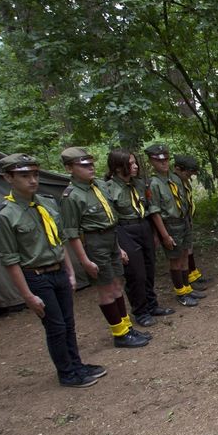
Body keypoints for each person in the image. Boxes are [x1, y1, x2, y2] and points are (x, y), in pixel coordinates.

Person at [0, 153, 106, 387]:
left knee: (68, 323)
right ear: (8, 178)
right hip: (36, 276)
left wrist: (70, 272)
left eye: (34, 174)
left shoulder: (47, 203)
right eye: (24, 176)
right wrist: (27, 296)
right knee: (55, 326)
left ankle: (77, 365)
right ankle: (67, 373)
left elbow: (59, 240)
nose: (32, 180)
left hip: (59, 272)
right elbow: (10, 260)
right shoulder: (5, 215)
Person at [59, 147, 150, 348]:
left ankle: (126, 328)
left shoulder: (99, 186)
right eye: (83, 166)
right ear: (69, 168)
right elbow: (72, 233)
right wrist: (85, 261)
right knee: (106, 290)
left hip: (111, 239)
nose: (90, 168)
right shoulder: (71, 196)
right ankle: (119, 334)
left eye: (91, 164)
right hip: (94, 244)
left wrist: (118, 247)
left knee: (117, 285)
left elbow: (110, 220)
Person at [106, 150, 175, 327]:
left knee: (149, 268)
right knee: (136, 273)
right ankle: (140, 311)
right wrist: (117, 246)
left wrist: (155, 234)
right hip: (124, 229)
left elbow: (150, 209)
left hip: (143, 226)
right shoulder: (109, 188)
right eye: (130, 164)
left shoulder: (140, 184)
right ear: (117, 167)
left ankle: (152, 305)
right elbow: (110, 220)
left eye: (135, 163)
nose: (135, 166)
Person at [145, 144, 203, 306]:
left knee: (185, 256)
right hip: (170, 225)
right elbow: (155, 212)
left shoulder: (175, 178)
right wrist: (164, 235)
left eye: (166, 160)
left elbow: (184, 201)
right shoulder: (153, 184)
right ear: (151, 161)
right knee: (175, 260)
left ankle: (187, 288)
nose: (163, 163)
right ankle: (181, 293)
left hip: (183, 221)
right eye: (159, 160)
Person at [173, 154, 211, 290]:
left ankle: (193, 274)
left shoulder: (183, 180)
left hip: (186, 219)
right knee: (183, 252)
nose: (191, 175)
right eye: (190, 172)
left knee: (188, 248)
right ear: (178, 169)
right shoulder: (174, 182)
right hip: (177, 223)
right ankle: (187, 281)